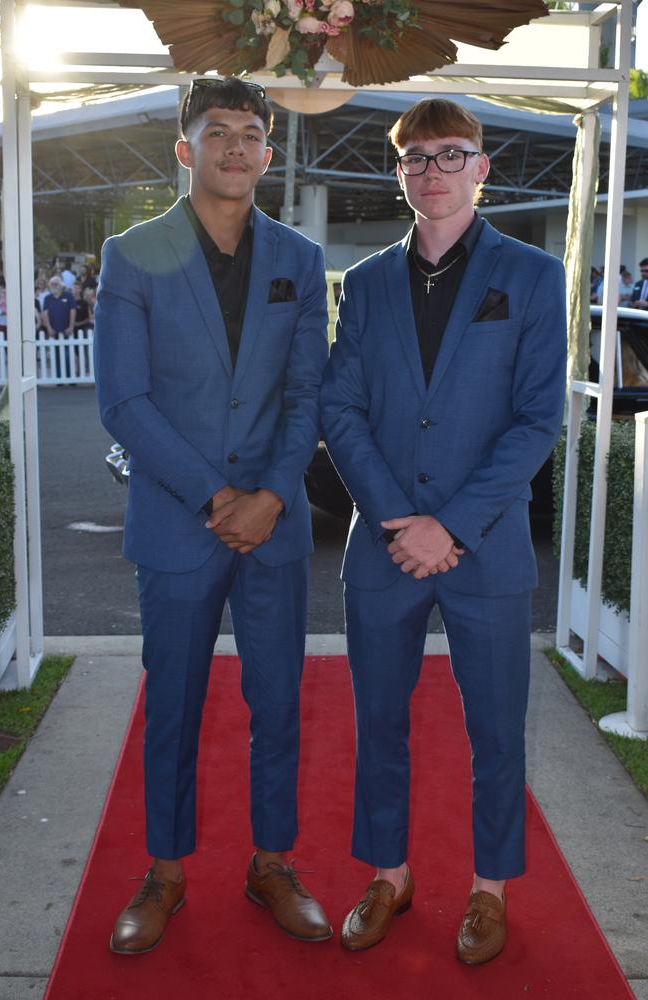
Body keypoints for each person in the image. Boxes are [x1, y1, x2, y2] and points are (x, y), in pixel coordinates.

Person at [321, 98, 566, 964]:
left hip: (485, 548)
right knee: (378, 722)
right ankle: (389, 875)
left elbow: (539, 419)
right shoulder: (366, 283)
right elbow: (340, 407)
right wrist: (401, 520)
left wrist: (451, 525)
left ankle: (489, 889)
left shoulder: (534, 276)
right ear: (398, 172)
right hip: (385, 548)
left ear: (483, 167)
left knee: (497, 730)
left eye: (451, 154)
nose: (434, 170)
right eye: (416, 157)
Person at [93, 76, 330, 956]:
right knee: (176, 706)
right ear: (185, 148)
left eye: (252, 133)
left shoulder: (300, 262)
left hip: (274, 525)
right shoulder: (132, 251)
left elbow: (308, 392)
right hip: (177, 524)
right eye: (218, 130)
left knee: (279, 704)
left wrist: (269, 495)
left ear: (269, 152)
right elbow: (124, 401)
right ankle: (165, 873)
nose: (237, 146)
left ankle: (272, 863)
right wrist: (215, 497)